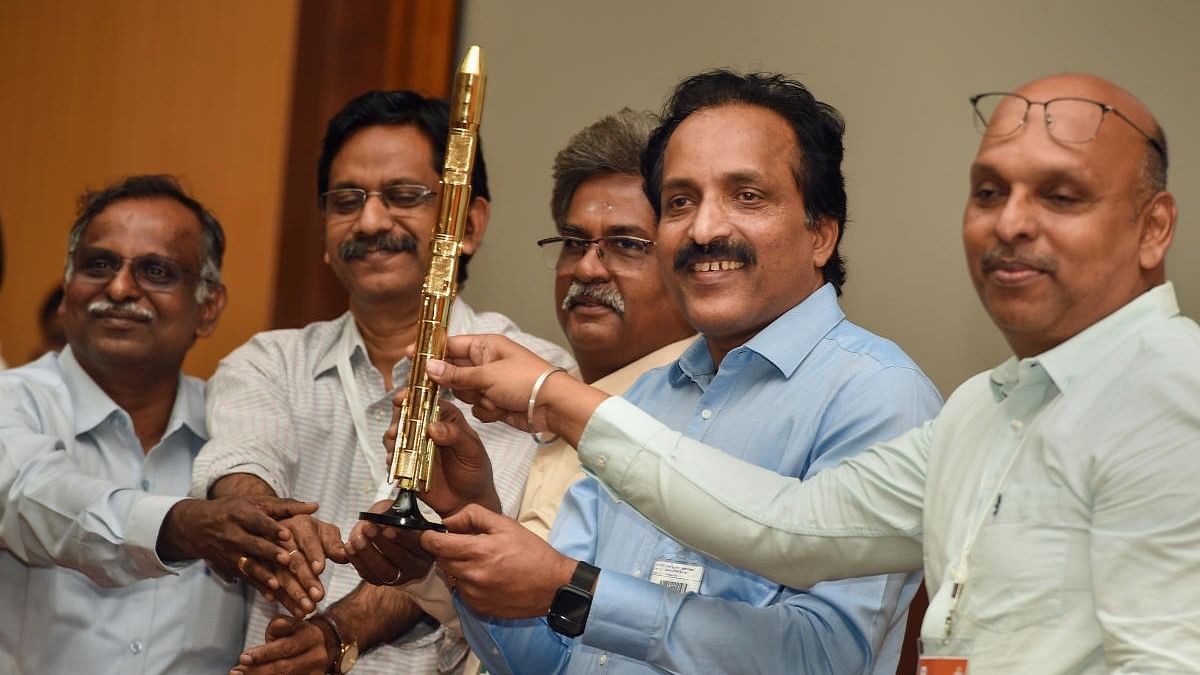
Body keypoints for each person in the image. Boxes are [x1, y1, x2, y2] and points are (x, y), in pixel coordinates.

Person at [427, 74, 1200, 673]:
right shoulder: (985, 406)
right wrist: (502, 512)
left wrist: (551, 401)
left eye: (1060, 195)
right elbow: (788, 528)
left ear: (1153, 227)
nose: (1011, 222)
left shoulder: (1167, 388)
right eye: (989, 191)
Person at [419, 71, 943, 675]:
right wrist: (474, 521)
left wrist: (579, 591)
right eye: (679, 201)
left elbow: (825, 656)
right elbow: (551, 660)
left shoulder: (876, 395)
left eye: (747, 195)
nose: (703, 229)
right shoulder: (645, 398)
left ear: (821, 232)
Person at [191, 90, 572, 675]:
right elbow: (243, 464)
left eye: (403, 196)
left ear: (466, 224)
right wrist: (269, 521)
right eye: (347, 200)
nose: (370, 221)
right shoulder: (269, 362)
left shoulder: (531, 377)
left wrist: (339, 632)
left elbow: (472, 544)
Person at [347, 107, 696, 673]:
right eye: (574, 242)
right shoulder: (556, 407)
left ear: (690, 259)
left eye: (627, 244)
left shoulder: (700, 421)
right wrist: (440, 549)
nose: (588, 268)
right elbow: (533, 635)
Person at [0, 175, 317, 673]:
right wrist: (182, 526)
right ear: (66, 292)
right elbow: (29, 495)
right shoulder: (12, 401)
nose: (121, 288)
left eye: (156, 271)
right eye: (98, 265)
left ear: (207, 307)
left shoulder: (238, 436)